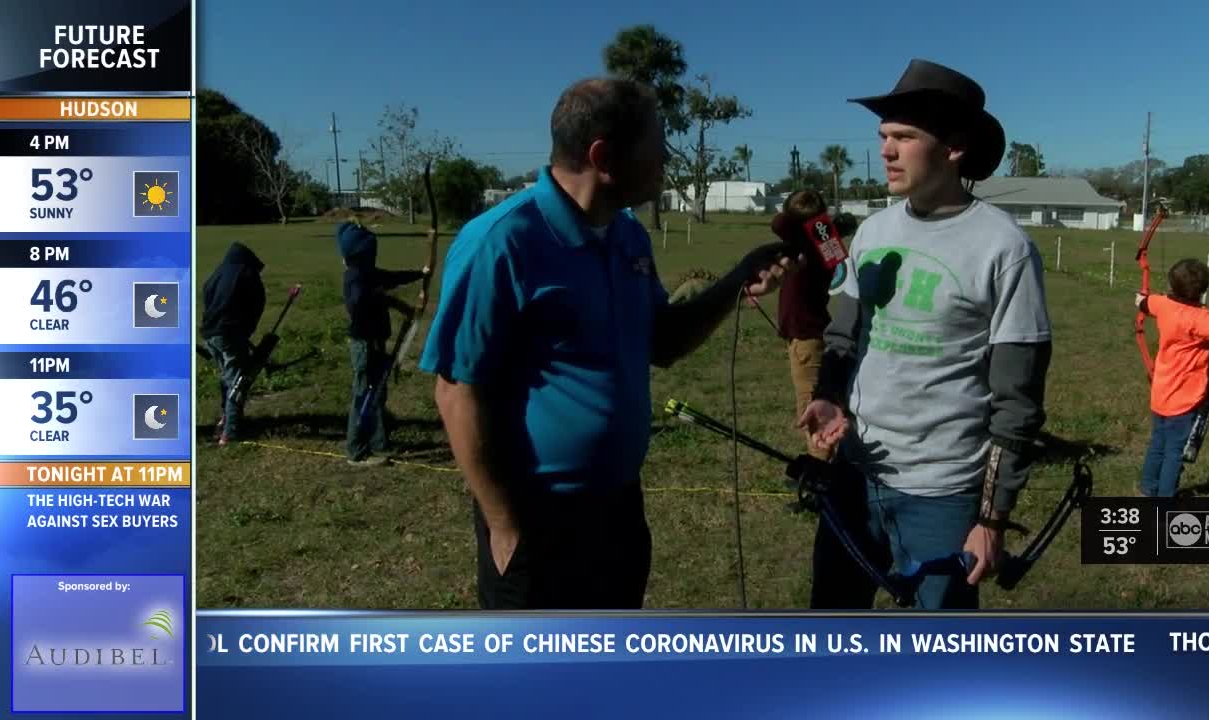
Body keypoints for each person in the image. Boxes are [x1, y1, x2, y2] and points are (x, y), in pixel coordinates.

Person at [421, 77, 794, 610]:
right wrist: (505, 526)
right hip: (536, 519)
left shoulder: (627, 235)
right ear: (603, 156)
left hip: (618, 509)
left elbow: (661, 341)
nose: (667, 156)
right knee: (538, 686)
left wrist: (737, 280)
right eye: (656, 145)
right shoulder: (501, 241)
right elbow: (456, 394)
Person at [800, 59, 1053, 609]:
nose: (886, 150)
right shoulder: (871, 232)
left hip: (944, 496)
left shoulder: (1004, 248)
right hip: (854, 473)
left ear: (954, 147)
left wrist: (992, 517)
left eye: (904, 137)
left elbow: (1018, 401)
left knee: (940, 657)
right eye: (884, 136)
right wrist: (827, 397)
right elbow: (844, 336)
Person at [1135, 260, 1209, 497]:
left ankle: (1148, 489)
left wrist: (1142, 299)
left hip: (1161, 394)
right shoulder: (1201, 318)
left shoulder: (1162, 304)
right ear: (1203, 290)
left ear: (1172, 285)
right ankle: (1165, 499)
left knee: (1158, 444)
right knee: (1174, 452)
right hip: (1184, 400)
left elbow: (1143, 303)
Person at [337, 221, 429, 466]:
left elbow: (392, 277)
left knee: (376, 393)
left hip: (375, 342)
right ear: (362, 252)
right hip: (365, 344)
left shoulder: (367, 273)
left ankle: (379, 444)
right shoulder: (354, 276)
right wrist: (383, 298)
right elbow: (357, 303)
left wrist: (420, 273)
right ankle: (356, 451)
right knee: (363, 396)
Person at [774, 190, 853, 458]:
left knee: (813, 412)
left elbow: (779, 223)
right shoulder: (820, 242)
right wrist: (825, 224)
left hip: (807, 337)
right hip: (808, 335)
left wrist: (818, 222)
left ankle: (820, 479)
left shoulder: (809, 242)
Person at [200, 242, 266, 447]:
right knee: (237, 383)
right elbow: (257, 304)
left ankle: (225, 420)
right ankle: (230, 434)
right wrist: (245, 331)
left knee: (227, 378)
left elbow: (206, 296)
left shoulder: (218, 273)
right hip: (230, 335)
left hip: (210, 334)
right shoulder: (247, 274)